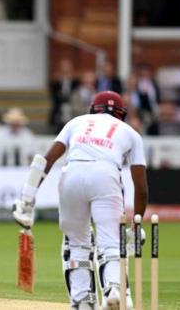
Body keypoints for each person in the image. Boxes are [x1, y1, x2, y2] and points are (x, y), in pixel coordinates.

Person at [13, 91, 148, 310]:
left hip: (72, 173)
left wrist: (27, 200)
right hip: (106, 175)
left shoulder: (77, 122)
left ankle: (82, 300)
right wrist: (137, 224)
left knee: (76, 243)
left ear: (93, 109)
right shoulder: (130, 132)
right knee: (111, 242)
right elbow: (141, 187)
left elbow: (47, 160)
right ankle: (114, 288)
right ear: (121, 114)